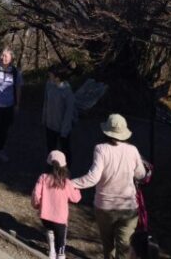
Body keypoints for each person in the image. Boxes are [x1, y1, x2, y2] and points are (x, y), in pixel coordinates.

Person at [72, 114, 147, 259]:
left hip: (104, 206)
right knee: (124, 247)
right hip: (128, 208)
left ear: (107, 131)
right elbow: (141, 175)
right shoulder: (133, 150)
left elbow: (93, 178)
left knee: (108, 245)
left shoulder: (101, 149)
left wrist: (72, 183)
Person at [32, 149, 81, 259]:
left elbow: (36, 194)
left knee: (50, 231)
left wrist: (36, 205)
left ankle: (51, 251)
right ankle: (60, 255)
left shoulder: (43, 178)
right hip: (60, 219)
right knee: (61, 241)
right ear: (64, 166)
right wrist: (76, 189)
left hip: (45, 216)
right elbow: (76, 198)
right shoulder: (66, 182)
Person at [43, 64, 76, 167]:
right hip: (50, 125)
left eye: (51, 74)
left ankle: (66, 170)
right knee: (51, 149)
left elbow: (69, 113)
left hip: (62, 127)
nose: (49, 76)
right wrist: (44, 118)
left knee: (65, 149)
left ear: (57, 77)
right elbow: (46, 102)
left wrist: (64, 130)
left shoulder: (67, 92)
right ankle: (51, 169)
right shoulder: (49, 85)